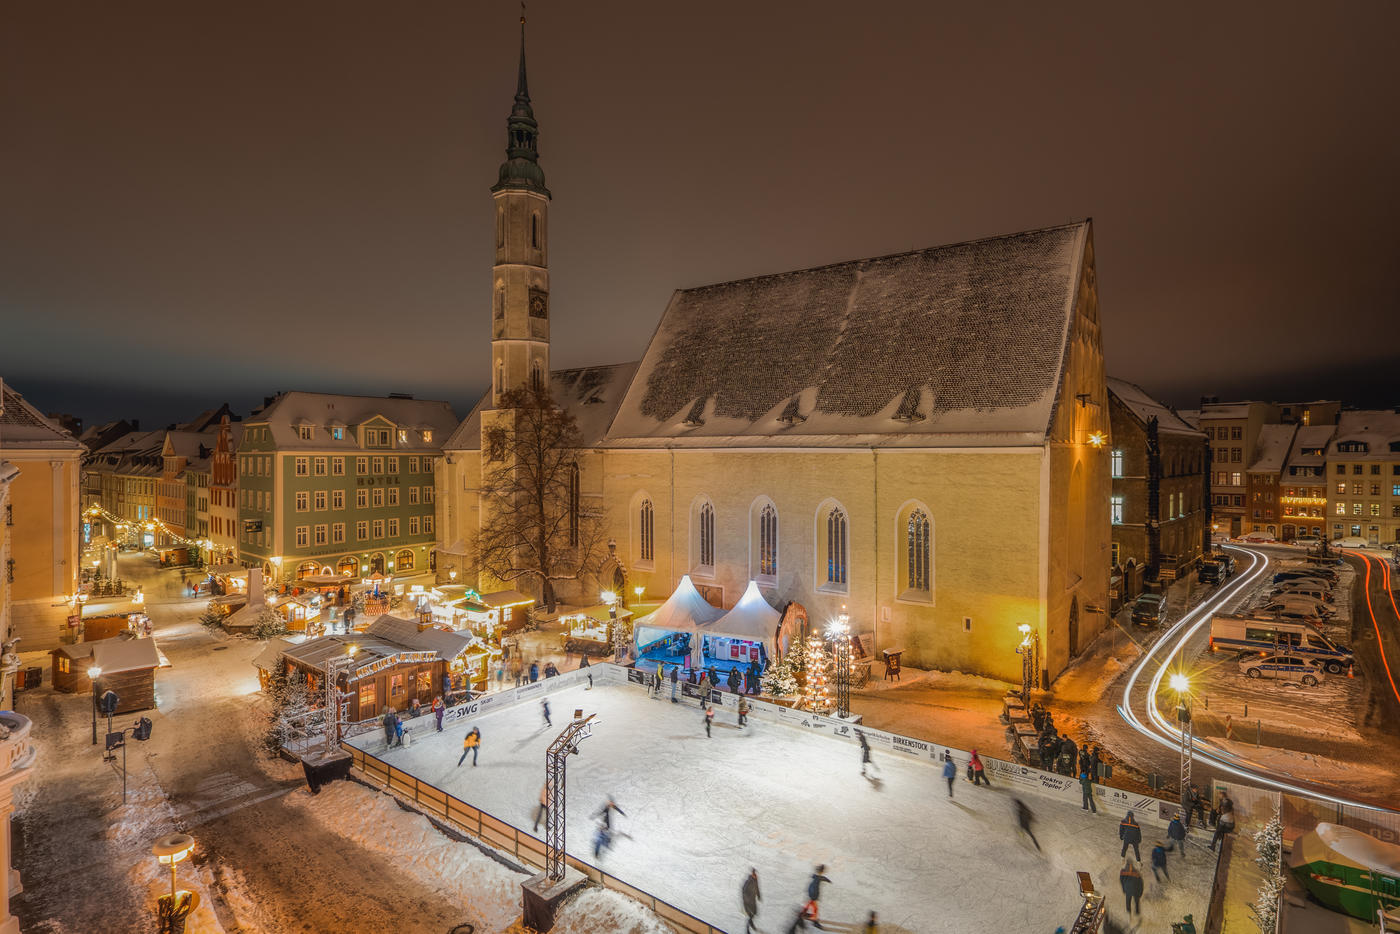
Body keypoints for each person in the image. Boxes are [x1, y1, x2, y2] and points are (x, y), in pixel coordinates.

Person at [802, 864, 831, 930]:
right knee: (815, 909)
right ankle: (815, 922)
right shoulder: (818, 879)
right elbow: (821, 880)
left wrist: (827, 880)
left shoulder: (815, 877)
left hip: (811, 895)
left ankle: (803, 914)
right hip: (813, 896)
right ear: (822, 871)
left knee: (809, 905)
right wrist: (814, 897)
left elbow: (822, 878)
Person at [741, 868, 761, 933]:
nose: (756, 876)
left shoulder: (755, 880)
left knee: (754, 913)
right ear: (752, 875)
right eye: (754, 875)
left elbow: (757, 888)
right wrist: (748, 899)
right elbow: (744, 891)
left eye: (756, 875)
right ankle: (747, 930)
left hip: (753, 901)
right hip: (748, 902)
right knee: (751, 915)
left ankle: (751, 925)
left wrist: (758, 896)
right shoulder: (748, 882)